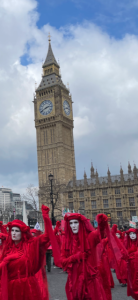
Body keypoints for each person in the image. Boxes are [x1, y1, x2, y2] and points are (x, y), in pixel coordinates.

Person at [0, 205, 60, 300]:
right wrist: (6, 261)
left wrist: (46, 217)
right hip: (12, 288)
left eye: (17, 231)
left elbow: (47, 236)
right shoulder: (7, 249)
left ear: (22, 233)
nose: (14, 233)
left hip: (28, 287)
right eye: (12, 231)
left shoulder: (31, 244)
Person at [61, 212, 108, 300]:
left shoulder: (90, 237)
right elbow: (62, 261)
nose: (73, 225)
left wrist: (102, 223)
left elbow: (100, 234)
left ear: (81, 223)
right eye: (71, 223)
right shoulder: (67, 241)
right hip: (74, 281)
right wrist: (76, 257)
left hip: (90, 281)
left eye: (76, 222)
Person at [126, 228, 138, 300]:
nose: (132, 235)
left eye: (133, 234)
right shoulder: (128, 244)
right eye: (130, 234)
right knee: (133, 283)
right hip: (132, 267)